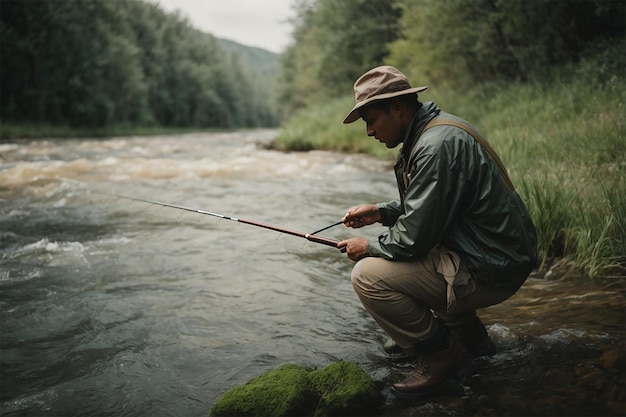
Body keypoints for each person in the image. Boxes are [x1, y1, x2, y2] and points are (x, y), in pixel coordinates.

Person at [337, 65, 537, 399]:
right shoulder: (437, 130)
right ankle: (476, 346)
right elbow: (435, 206)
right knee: (421, 260)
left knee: (368, 276)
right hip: (497, 252)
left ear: (398, 108)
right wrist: (381, 212)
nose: (369, 131)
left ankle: (443, 355)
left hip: (492, 265)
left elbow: (413, 238)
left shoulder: (434, 146)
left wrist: (368, 247)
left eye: (372, 120)